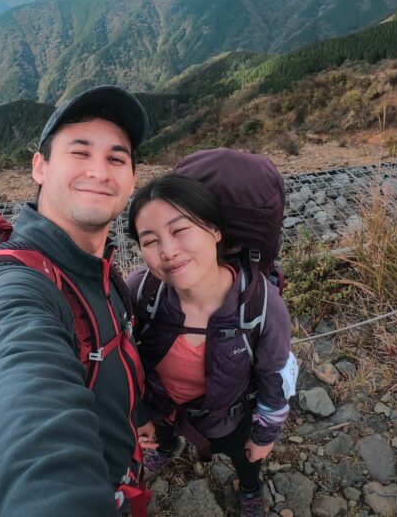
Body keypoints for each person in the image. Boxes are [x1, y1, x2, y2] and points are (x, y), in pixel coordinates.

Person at [0, 85, 149, 516]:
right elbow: (35, 425)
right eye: (80, 153)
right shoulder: (14, 287)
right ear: (40, 167)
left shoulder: (96, 268)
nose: (100, 172)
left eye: (116, 159)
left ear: (132, 180)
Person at [126, 174, 297, 517]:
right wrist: (139, 415)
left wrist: (264, 437)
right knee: (162, 433)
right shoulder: (141, 292)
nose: (168, 251)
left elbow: (275, 376)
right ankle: (167, 444)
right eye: (150, 240)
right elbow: (124, 360)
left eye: (180, 230)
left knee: (246, 458)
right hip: (164, 406)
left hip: (230, 417)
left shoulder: (260, 304)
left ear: (215, 230)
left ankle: (250, 486)